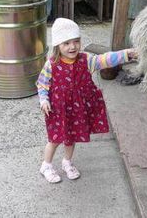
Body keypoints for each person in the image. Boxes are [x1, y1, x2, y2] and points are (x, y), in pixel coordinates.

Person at [36, 18, 137, 183]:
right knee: (55, 139)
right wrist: (43, 100)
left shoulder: (86, 59)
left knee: (71, 137)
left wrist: (127, 54)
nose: (72, 46)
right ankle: (46, 165)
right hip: (58, 109)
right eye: (66, 43)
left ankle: (67, 162)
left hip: (76, 109)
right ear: (57, 46)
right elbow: (42, 84)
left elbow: (105, 59)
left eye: (76, 41)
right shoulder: (51, 64)